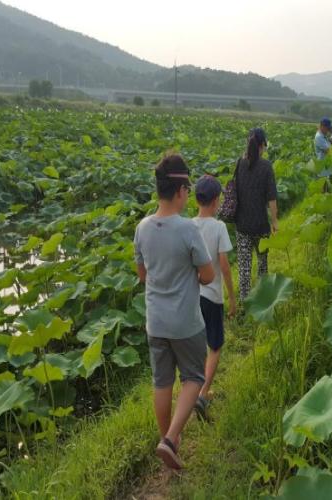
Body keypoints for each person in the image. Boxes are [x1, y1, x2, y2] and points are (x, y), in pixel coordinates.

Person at [133, 153, 214, 470]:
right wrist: (189, 276)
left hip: (156, 322)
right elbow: (207, 275)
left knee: (161, 382)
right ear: (181, 191)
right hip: (185, 322)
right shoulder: (187, 229)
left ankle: (169, 441)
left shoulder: (142, 228)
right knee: (194, 377)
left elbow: (143, 274)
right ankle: (170, 439)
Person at [192, 175, 236, 418]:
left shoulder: (188, 225)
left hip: (192, 296)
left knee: (198, 346)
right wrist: (231, 297)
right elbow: (224, 266)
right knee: (215, 347)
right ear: (216, 200)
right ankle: (202, 394)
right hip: (212, 296)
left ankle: (197, 389)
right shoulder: (218, 227)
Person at [234, 127, 278, 301]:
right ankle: (262, 298)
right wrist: (275, 222)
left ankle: (245, 302)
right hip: (260, 225)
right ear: (262, 145)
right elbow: (272, 198)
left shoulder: (240, 163)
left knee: (244, 268)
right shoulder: (266, 166)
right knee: (262, 264)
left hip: (242, 224)